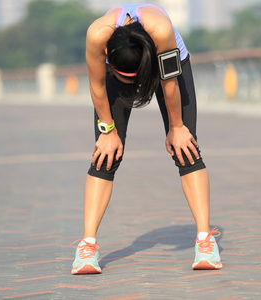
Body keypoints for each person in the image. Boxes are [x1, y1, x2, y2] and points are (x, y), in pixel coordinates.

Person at [71, 3, 222, 275]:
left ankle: (205, 240)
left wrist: (176, 128)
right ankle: (87, 247)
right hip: (118, 67)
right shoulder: (97, 36)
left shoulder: (161, 32)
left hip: (164, 67)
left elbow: (170, 84)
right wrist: (108, 130)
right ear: (108, 54)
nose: (133, 85)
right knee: (105, 155)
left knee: (186, 148)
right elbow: (96, 85)